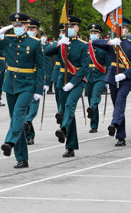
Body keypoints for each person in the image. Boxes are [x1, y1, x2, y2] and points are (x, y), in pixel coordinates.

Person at [0, 14, 44, 167]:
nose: (17, 28)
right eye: (14, 26)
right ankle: (22, 158)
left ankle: (9, 142)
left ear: (25, 26)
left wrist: (39, 89)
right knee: (15, 120)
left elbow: (41, 67)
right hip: (10, 83)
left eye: (20, 25)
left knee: (19, 113)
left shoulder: (35, 43)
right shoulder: (8, 41)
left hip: (27, 84)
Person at [92, 18, 131, 147]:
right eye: (120, 27)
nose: (122, 29)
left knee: (120, 101)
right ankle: (120, 136)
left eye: (124, 27)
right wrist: (109, 41)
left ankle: (114, 123)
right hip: (113, 76)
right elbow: (94, 42)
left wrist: (125, 75)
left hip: (126, 78)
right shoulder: (112, 42)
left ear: (127, 29)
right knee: (118, 106)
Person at [46, 15, 91, 158]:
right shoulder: (61, 43)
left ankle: (64, 129)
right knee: (66, 112)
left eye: (72, 27)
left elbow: (85, 68)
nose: (69, 29)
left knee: (70, 106)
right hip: (61, 80)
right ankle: (70, 146)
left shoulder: (83, 45)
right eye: (67, 27)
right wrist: (58, 44)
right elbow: (46, 52)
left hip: (77, 81)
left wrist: (73, 82)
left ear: (77, 28)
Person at [22, 18, 46, 144]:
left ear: (36, 31)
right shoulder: (24, 43)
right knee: (25, 107)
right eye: (29, 28)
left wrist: (45, 83)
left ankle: (28, 121)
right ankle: (29, 134)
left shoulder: (40, 45)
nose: (30, 31)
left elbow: (44, 65)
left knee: (33, 105)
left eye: (33, 29)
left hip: (36, 78)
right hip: (25, 79)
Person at [85, 23, 111, 134]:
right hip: (88, 76)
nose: (93, 34)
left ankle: (92, 107)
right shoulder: (85, 46)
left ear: (99, 35)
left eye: (95, 33)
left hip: (100, 75)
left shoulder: (104, 47)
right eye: (92, 33)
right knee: (90, 97)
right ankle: (94, 125)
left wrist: (109, 79)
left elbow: (109, 64)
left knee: (95, 96)